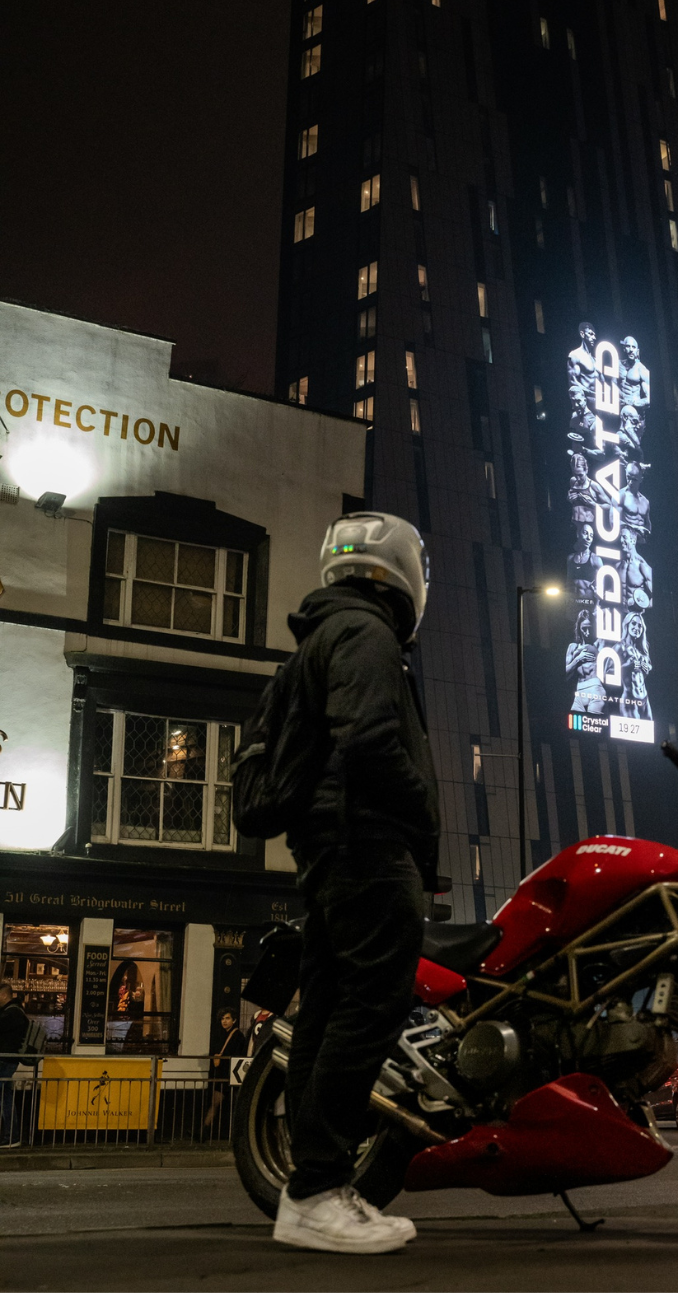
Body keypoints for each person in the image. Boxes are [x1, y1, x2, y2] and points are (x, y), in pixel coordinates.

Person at [273, 512, 437, 1256]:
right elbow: (368, 739)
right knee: (371, 1008)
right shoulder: (368, 634)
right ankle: (317, 1190)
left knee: (326, 1012)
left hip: (328, 851)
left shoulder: (321, 633)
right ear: (405, 573)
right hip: (368, 846)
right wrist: (418, 809)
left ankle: (309, 1189)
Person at [203, 1008, 244, 1137]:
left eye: (227, 1018)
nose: (224, 1021)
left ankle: (204, 1131)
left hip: (229, 1076)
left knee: (217, 1104)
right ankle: (204, 1131)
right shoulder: (225, 1035)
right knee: (216, 1103)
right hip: (226, 1076)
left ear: (234, 1020)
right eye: (222, 1019)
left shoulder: (237, 1036)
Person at [0, 980, 29, 1149]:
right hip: (7, 1060)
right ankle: (11, 1135)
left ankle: (11, 1136)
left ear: (4, 995)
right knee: (5, 1096)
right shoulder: (15, 1011)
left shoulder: (12, 1014)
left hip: (5, 1061)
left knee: (5, 1098)